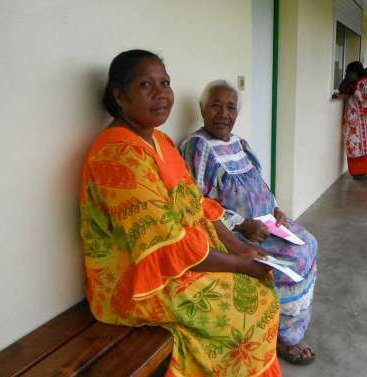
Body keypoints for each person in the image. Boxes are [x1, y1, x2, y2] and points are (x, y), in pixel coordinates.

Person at [80, 50, 282, 377]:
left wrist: (237, 247)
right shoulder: (116, 155)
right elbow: (162, 243)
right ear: (119, 96)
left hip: (184, 261)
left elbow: (199, 204)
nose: (162, 94)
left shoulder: (160, 141)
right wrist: (237, 264)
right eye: (147, 85)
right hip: (135, 281)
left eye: (166, 83)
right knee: (249, 308)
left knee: (261, 286)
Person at [180, 80, 318, 365]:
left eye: (230, 107)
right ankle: (283, 336)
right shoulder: (198, 147)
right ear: (202, 109)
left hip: (268, 224)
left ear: (237, 114)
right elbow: (197, 204)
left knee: (310, 243)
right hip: (237, 234)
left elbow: (259, 183)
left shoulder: (240, 143)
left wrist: (277, 209)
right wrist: (243, 225)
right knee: (295, 257)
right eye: (215, 106)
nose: (223, 114)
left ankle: (290, 321)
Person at [338, 61, 367, 178]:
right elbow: (342, 88)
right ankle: (363, 171)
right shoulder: (355, 84)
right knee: (360, 148)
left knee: (363, 147)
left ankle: (364, 171)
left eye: (349, 72)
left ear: (355, 72)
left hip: (366, 122)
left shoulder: (363, 84)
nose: (347, 75)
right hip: (361, 122)